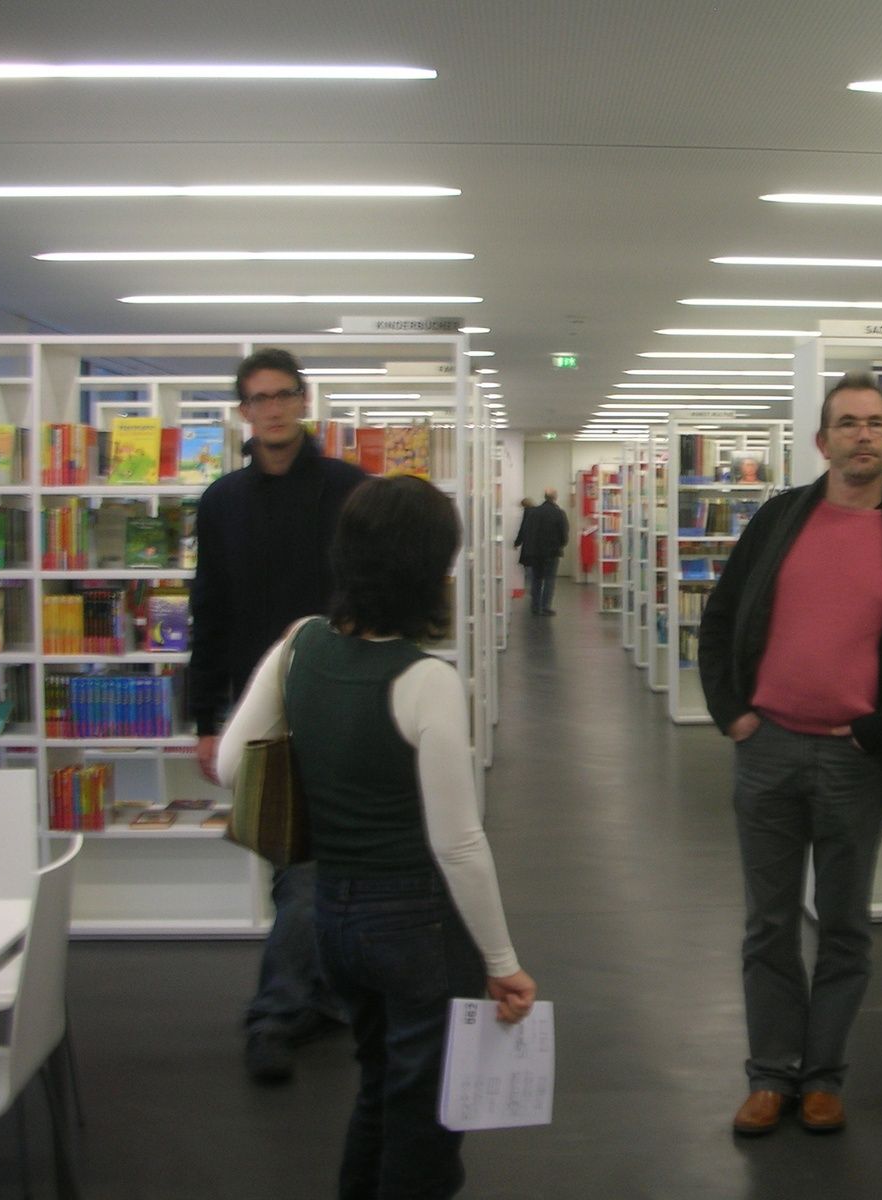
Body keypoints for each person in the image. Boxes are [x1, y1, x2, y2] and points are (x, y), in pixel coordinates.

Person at [217, 475, 535, 1199]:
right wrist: (502, 961)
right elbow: (458, 845)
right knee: (426, 1118)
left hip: (332, 914)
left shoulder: (299, 645)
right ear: (431, 570)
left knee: (378, 1085)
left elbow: (234, 764)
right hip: (415, 924)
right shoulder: (426, 681)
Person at [698, 372, 882, 1136]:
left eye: (876, 424)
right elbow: (720, 620)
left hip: (852, 760)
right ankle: (771, 1073)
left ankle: (824, 1076)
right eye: (849, 423)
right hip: (767, 747)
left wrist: (878, 732)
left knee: (844, 925)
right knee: (769, 924)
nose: (864, 435)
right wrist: (732, 714)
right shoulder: (779, 519)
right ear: (822, 440)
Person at [189, 347, 365, 1083]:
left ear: (303, 401)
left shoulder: (352, 490)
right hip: (257, 705)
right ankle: (310, 999)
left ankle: (277, 1012)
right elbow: (210, 610)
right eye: (259, 398)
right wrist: (206, 717)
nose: (273, 409)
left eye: (284, 394)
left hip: (336, 693)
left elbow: (373, 592)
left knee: (307, 862)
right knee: (293, 856)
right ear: (243, 412)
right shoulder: (222, 501)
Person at [521, 486, 568, 614]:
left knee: (536, 579)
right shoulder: (559, 513)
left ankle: (535, 606)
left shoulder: (534, 512)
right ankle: (545, 606)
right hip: (552, 553)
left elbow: (527, 531)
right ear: (555, 497)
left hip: (536, 553)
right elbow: (564, 535)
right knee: (549, 580)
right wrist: (560, 545)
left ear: (545, 497)